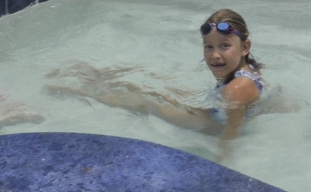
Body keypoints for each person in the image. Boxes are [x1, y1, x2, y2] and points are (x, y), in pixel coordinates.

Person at [45, 10, 264, 154]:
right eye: (209, 47)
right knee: (160, 89)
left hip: (211, 125)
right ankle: (97, 77)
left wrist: (221, 165)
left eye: (224, 46)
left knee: (146, 102)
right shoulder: (247, 74)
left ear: (245, 48)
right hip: (214, 113)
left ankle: (82, 89)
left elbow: (231, 132)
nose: (215, 55)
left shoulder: (236, 88)